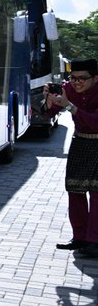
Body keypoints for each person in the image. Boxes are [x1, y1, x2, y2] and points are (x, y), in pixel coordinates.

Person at [47, 59, 98, 257]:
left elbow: (95, 122)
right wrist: (49, 99)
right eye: (73, 78)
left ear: (95, 78)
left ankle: (94, 240)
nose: (77, 83)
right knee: (75, 189)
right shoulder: (68, 88)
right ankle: (80, 237)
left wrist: (70, 106)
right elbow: (48, 113)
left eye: (82, 79)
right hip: (80, 142)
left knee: (96, 192)